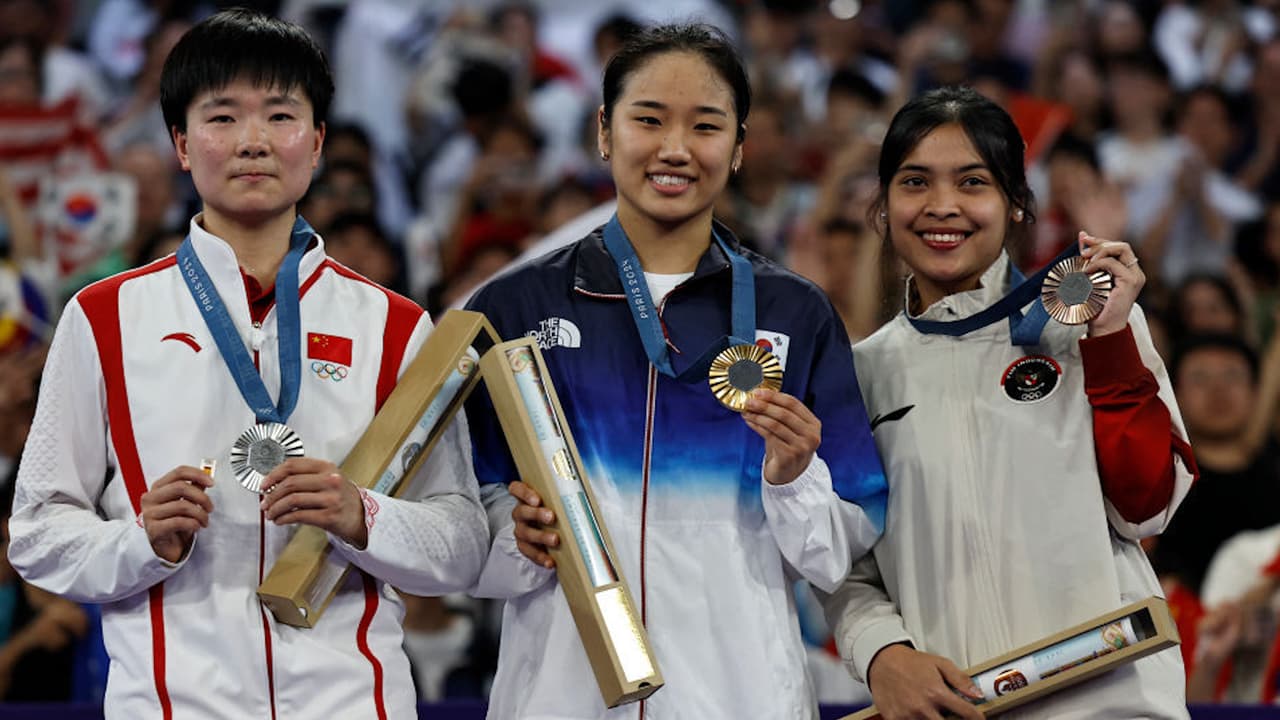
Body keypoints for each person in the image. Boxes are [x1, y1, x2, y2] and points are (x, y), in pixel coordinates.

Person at [5, 10, 488, 719]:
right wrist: (140, 542)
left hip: (351, 704)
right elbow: (37, 534)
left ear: (316, 143)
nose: (253, 141)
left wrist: (362, 515)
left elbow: (464, 542)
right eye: (223, 117)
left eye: (281, 115)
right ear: (181, 143)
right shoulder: (104, 317)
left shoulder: (394, 326)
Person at [463, 23, 887, 720]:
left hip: (741, 698)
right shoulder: (514, 307)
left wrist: (792, 478)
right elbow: (461, 516)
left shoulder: (795, 313)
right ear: (605, 131)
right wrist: (514, 533)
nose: (675, 149)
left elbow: (841, 549)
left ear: (740, 147)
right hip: (563, 697)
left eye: (706, 126)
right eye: (649, 120)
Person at [820, 86, 1198, 720]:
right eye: (915, 182)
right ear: (882, 207)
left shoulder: (1087, 324)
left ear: (1016, 203)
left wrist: (1108, 340)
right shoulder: (861, 374)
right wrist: (881, 653)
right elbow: (847, 564)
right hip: (960, 707)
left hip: (1111, 701)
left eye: (972, 182)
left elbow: (1146, 508)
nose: (943, 206)